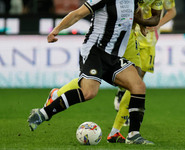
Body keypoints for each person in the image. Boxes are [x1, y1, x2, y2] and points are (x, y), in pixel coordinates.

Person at [28, 0, 154, 145]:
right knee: (89, 93)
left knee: (138, 86)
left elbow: (135, 11)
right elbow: (77, 14)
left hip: (113, 55)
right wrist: (56, 30)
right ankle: (43, 114)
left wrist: (142, 24)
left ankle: (133, 135)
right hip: (95, 51)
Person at [109, 0, 176, 143]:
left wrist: (158, 24)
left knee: (135, 84)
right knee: (134, 84)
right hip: (131, 37)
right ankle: (119, 130)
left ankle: (117, 130)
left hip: (149, 41)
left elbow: (172, 11)